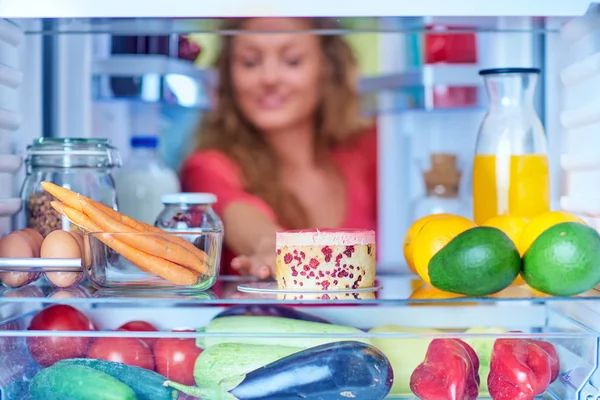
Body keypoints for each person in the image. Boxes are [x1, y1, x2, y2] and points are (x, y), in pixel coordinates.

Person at [181, 17, 377, 279]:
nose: (269, 78)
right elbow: (241, 217)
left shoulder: (365, 152)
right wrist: (267, 247)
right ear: (229, 75)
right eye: (250, 62)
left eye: (292, 60)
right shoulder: (208, 166)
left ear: (327, 69)